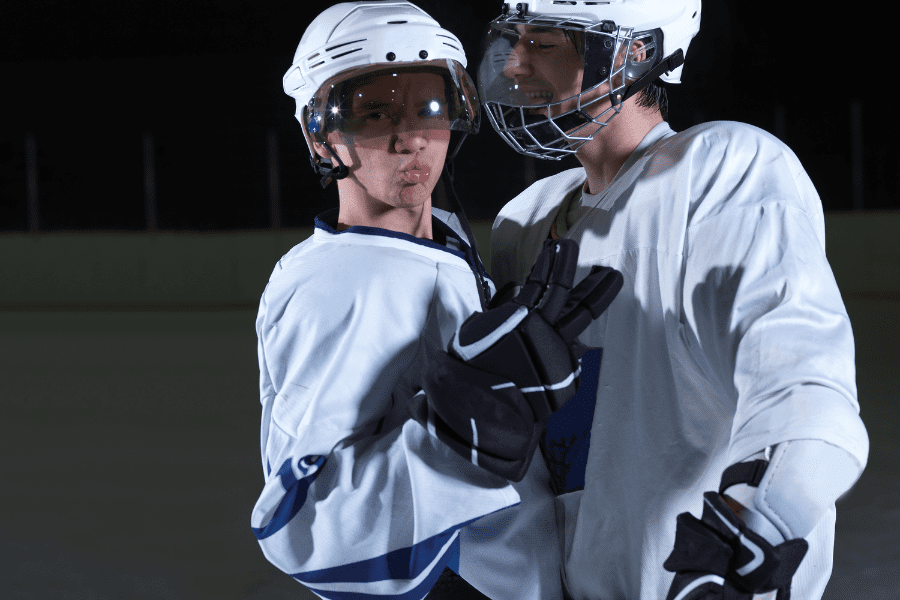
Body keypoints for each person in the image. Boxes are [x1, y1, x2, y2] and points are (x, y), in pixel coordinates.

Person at [477, 1, 870, 598]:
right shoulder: (523, 221)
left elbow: (806, 395)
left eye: (547, 43)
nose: (514, 66)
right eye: (514, 40)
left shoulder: (718, 169)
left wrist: (748, 536)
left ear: (636, 52)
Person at [250, 2, 621, 599]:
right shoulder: (341, 282)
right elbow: (302, 527)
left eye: (429, 107)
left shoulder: (439, 241)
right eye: (374, 114)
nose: (411, 137)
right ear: (322, 134)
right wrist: (454, 443)